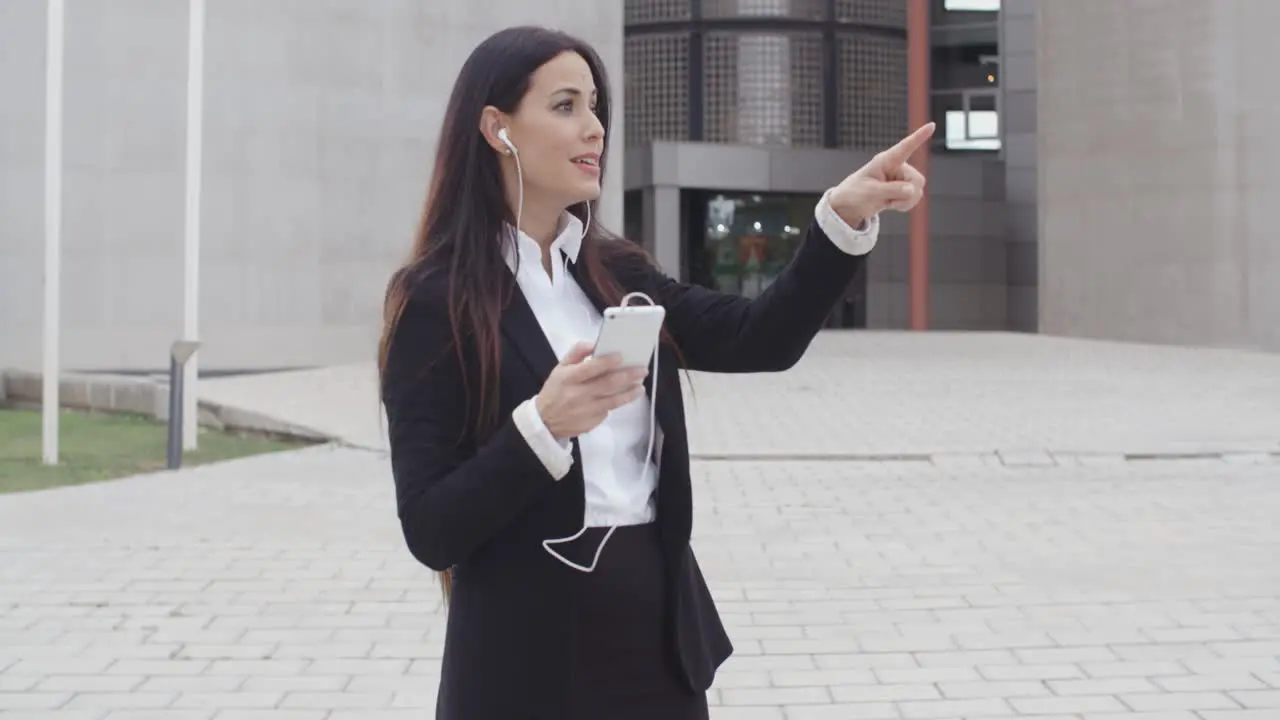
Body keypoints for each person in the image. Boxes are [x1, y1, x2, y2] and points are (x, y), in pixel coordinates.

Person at [377, 25, 932, 720]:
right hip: (521, 660)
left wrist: (840, 219)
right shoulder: (435, 301)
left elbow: (762, 338)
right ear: (497, 128)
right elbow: (430, 528)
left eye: (597, 107)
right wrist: (541, 429)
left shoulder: (620, 274)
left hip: (655, 643)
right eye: (566, 106)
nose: (595, 128)